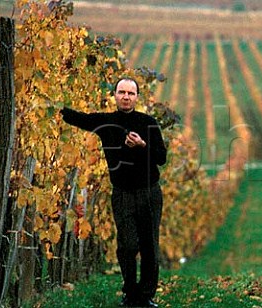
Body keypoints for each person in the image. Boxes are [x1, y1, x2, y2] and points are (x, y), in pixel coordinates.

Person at [60, 78, 167, 307]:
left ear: (137, 97)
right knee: (127, 246)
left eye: (131, 93)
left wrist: (142, 145)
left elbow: (161, 157)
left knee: (150, 247)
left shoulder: (148, 123)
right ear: (115, 95)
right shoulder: (106, 122)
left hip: (149, 193)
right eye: (122, 92)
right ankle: (130, 293)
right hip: (122, 194)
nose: (126, 97)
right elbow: (81, 119)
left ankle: (146, 297)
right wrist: (55, 107)